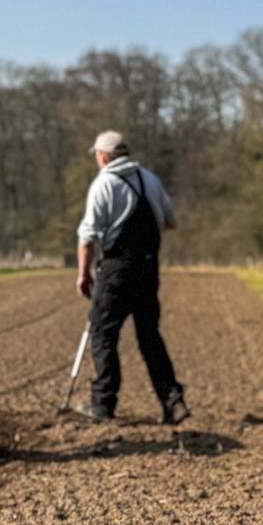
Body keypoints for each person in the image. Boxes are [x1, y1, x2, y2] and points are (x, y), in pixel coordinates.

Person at [75, 130, 189, 425]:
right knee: (150, 337)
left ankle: (102, 403)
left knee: (103, 334)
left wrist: (83, 274)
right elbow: (170, 221)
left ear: (103, 156)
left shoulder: (104, 184)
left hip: (116, 270)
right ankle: (173, 401)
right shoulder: (149, 179)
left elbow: (87, 236)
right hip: (148, 269)